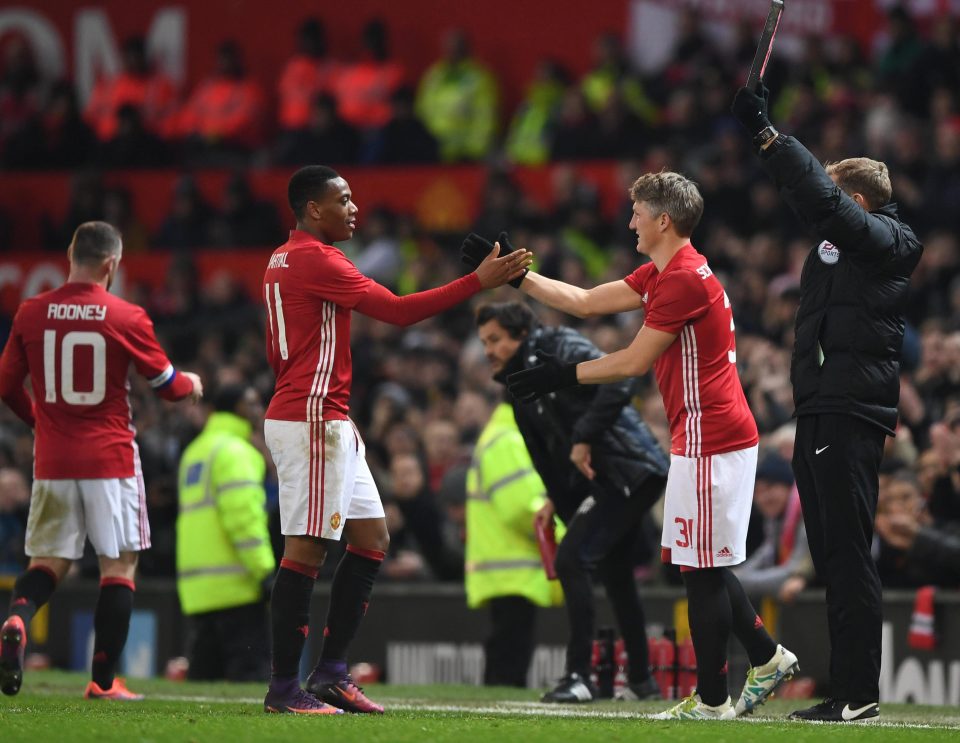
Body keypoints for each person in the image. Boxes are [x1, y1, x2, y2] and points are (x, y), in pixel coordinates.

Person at [464, 171, 798, 720]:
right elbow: (587, 302)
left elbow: (633, 362)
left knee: (699, 569)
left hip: (714, 435)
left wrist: (560, 376)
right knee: (702, 564)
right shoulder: (665, 272)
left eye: (638, 212)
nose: (630, 221)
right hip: (702, 435)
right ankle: (765, 660)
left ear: (663, 219)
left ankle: (714, 702)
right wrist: (516, 276)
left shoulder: (685, 279)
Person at [260, 165, 530, 715]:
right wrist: (478, 282)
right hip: (312, 417)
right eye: (344, 199)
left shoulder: (283, 258)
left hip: (326, 417)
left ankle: (332, 672)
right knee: (306, 551)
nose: (354, 207)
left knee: (372, 537)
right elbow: (400, 313)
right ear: (314, 209)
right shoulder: (318, 259)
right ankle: (285, 687)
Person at [732, 80, 924, 723]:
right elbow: (805, 193)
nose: (822, 208)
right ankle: (847, 691)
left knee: (846, 552)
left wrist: (771, 135)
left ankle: (860, 692)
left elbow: (820, 198)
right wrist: (764, 148)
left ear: (860, 200)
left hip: (850, 408)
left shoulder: (889, 243)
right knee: (832, 553)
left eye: (835, 196)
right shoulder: (844, 239)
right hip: (822, 405)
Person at [0, 221, 203, 699]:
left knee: (47, 560)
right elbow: (169, 387)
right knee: (118, 566)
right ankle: (103, 682)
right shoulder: (126, 315)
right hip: (110, 459)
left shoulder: (31, 312)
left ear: (71, 252)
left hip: (52, 460)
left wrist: (39, 422)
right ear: (112, 264)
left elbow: (5, 385)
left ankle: (16, 617)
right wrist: (193, 384)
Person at [474, 300, 669, 703]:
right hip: (609, 480)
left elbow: (621, 379)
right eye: (484, 342)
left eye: (494, 340)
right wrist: (554, 501)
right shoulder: (518, 389)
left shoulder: (559, 345)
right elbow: (545, 459)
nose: (488, 350)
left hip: (630, 469)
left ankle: (580, 677)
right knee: (615, 574)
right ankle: (640, 680)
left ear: (521, 335)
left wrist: (583, 437)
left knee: (573, 559)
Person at [176, 383, 275, 681]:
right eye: (252, 403)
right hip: (237, 588)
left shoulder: (195, 451)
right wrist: (264, 571)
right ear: (236, 409)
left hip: (198, 591)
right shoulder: (236, 452)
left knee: (203, 687)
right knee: (248, 685)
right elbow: (244, 520)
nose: (259, 410)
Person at [465, 400, 564, 688]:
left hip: (507, 566)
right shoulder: (507, 440)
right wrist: (568, 536)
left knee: (507, 645)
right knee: (510, 653)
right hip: (512, 568)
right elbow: (522, 508)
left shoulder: (504, 436)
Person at [732, 453, 813, 604]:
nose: (764, 498)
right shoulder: (775, 520)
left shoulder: (808, 514)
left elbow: (791, 572)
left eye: (770, 487)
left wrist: (734, 581)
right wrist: (733, 575)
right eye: (757, 492)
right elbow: (764, 554)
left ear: (788, 487)